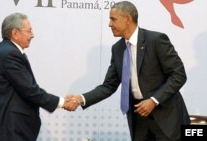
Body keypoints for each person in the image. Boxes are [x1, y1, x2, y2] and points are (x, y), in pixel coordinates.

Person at [66, 1, 190, 141]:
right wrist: (80, 99)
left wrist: (154, 100)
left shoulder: (156, 40)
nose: (109, 24)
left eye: (113, 19)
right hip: (139, 118)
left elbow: (178, 75)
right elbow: (108, 86)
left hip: (167, 118)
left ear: (127, 19)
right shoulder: (118, 49)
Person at [0, 13, 77, 141]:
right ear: (15, 33)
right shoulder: (9, 54)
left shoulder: (6, 51)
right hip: (7, 132)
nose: (33, 35)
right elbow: (30, 90)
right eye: (29, 30)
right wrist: (62, 102)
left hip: (8, 130)